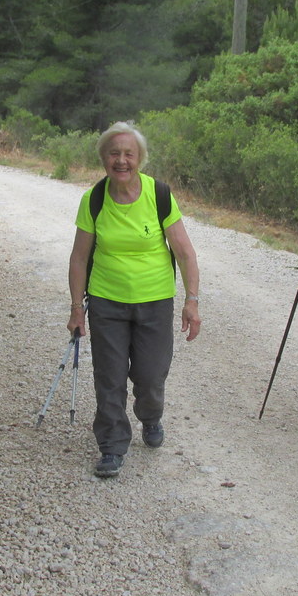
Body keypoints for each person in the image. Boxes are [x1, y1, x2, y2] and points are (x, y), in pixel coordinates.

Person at [67, 122, 201, 478]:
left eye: (129, 154)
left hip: (154, 302)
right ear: (103, 159)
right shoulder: (93, 200)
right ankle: (111, 446)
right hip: (107, 302)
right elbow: (79, 257)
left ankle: (151, 416)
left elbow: (185, 252)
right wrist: (76, 308)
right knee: (109, 378)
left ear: (140, 158)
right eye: (114, 154)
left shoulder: (158, 195)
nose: (121, 161)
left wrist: (192, 300)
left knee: (150, 376)